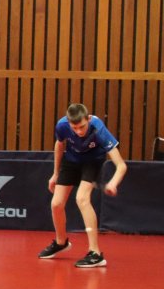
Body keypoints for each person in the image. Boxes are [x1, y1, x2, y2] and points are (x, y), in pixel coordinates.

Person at [38, 103, 127, 268]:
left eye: (82, 127)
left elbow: (121, 165)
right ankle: (61, 242)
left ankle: (95, 253)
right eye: (75, 128)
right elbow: (59, 145)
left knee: (82, 199)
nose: (79, 132)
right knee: (56, 204)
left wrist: (113, 183)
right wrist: (55, 174)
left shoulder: (98, 128)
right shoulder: (62, 125)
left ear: (88, 119)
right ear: (69, 123)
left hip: (93, 162)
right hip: (71, 161)